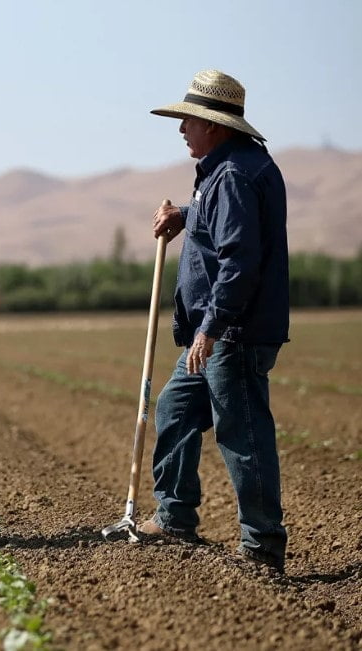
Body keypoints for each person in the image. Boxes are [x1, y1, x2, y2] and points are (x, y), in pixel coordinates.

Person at [138, 70, 289, 573]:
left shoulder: (236, 175)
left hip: (231, 333)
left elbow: (239, 260)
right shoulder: (225, 171)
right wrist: (185, 214)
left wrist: (210, 326)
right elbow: (222, 224)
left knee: (242, 435)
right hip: (217, 332)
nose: (182, 128)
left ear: (216, 126)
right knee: (176, 411)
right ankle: (176, 516)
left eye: (189, 120)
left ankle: (262, 544)